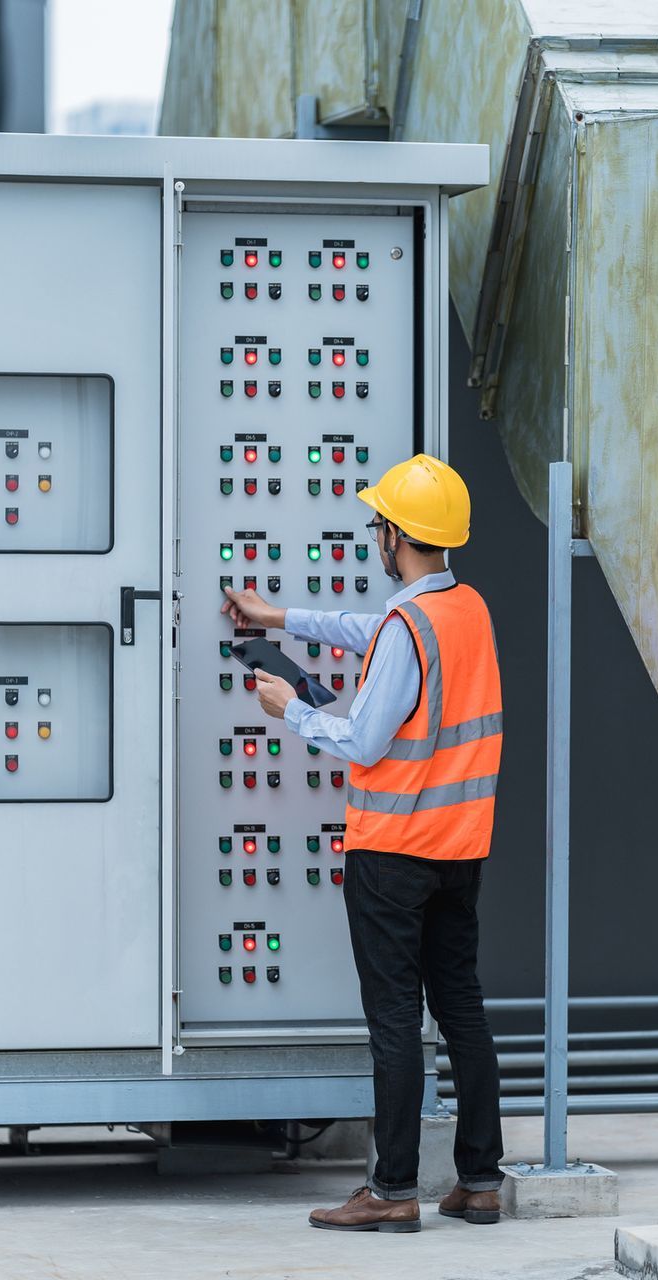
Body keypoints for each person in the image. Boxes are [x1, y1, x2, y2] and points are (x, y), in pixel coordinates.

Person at [221, 453, 505, 1234]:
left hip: (393, 854)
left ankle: (393, 1188)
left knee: (393, 1022)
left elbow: (367, 741)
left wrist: (291, 708)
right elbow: (369, 630)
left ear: (398, 538)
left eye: (379, 524)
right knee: (462, 1012)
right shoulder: (464, 609)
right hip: (459, 850)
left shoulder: (408, 627)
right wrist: (277, 618)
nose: (374, 535)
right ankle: (480, 1181)